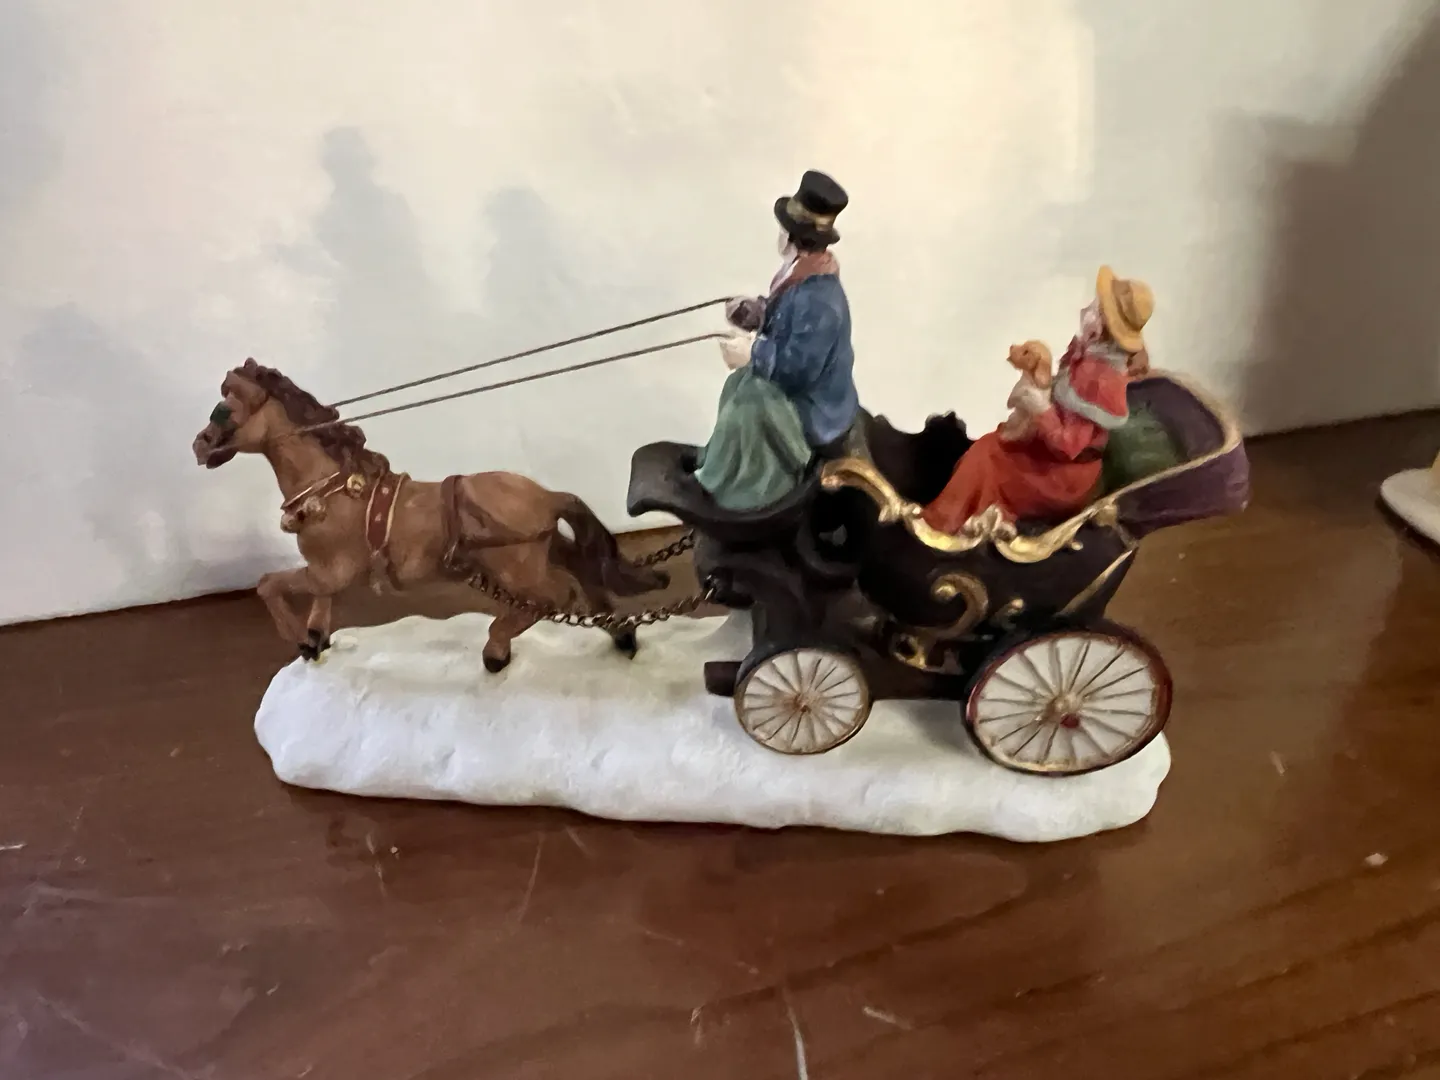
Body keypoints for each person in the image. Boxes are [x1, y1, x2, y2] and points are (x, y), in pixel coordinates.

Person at [922, 266, 1154, 532]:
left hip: (1064, 476)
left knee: (986, 457)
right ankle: (953, 515)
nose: (1087, 311)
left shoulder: (1102, 380)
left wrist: (1041, 408)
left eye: (1096, 309)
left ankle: (941, 525)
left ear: (1106, 326)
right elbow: (1063, 400)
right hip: (1050, 456)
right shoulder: (1090, 354)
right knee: (992, 444)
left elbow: (1068, 446)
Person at [692, 170, 860, 511]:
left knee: (748, 402)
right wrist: (754, 314)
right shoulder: (801, 273)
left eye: (784, 228)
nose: (780, 233)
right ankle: (717, 464)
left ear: (794, 236)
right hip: (803, 391)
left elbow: (798, 371)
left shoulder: (820, 298)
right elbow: (786, 321)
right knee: (737, 384)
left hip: (816, 407)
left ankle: (739, 489)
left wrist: (753, 353)